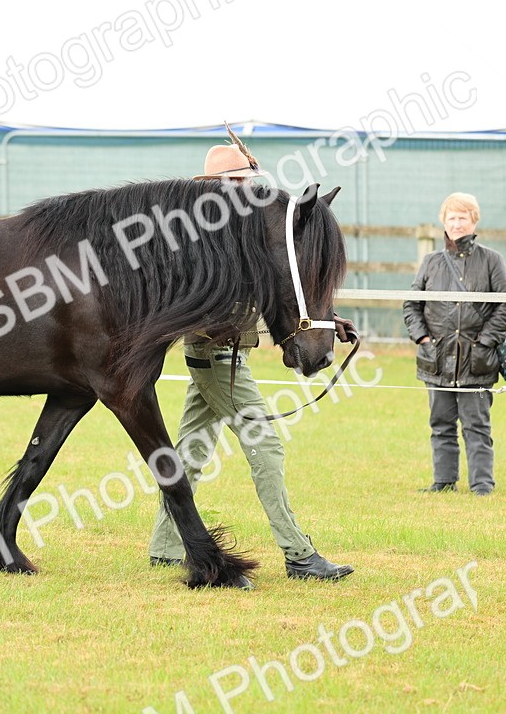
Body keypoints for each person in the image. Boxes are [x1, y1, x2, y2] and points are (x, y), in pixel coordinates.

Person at [147, 140, 356, 582]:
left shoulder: (235, 228)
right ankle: (299, 555)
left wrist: (326, 320)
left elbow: (276, 284)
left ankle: (165, 546)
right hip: (216, 357)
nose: (243, 188)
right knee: (267, 447)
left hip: (220, 359)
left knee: (191, 451)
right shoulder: (200, 233)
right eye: (236, 181)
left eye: (245, 180)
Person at [403, 193, 506, 496]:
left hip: (476, 361)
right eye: (451, 218)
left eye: (462, 217)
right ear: (443, 221)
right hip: (436, 359)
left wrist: (484, 343)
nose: (456, 223)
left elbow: (505, 307)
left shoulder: (492, 261)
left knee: (477, 426)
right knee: (440, 424)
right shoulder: (431, 262)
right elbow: (412, 306)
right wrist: (423, 339)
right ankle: (443, 481)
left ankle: (482, 485)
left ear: (474, 221)